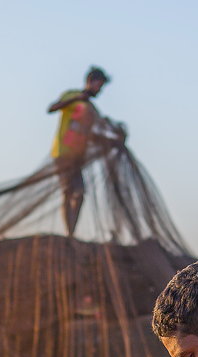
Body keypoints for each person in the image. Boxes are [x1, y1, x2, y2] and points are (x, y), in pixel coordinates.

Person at [47, 66, 124, 237]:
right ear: (91, 81)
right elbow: (51, 108)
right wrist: (76, 98)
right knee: (68, 191)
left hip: (78, 157)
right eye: (100, 85)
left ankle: (70, 232)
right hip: (62, 152)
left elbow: (93, 133)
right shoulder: (72, 96)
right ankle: (69, 233)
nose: (100, 90)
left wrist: (114, 137)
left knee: (80, 193)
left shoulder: (92, 110)